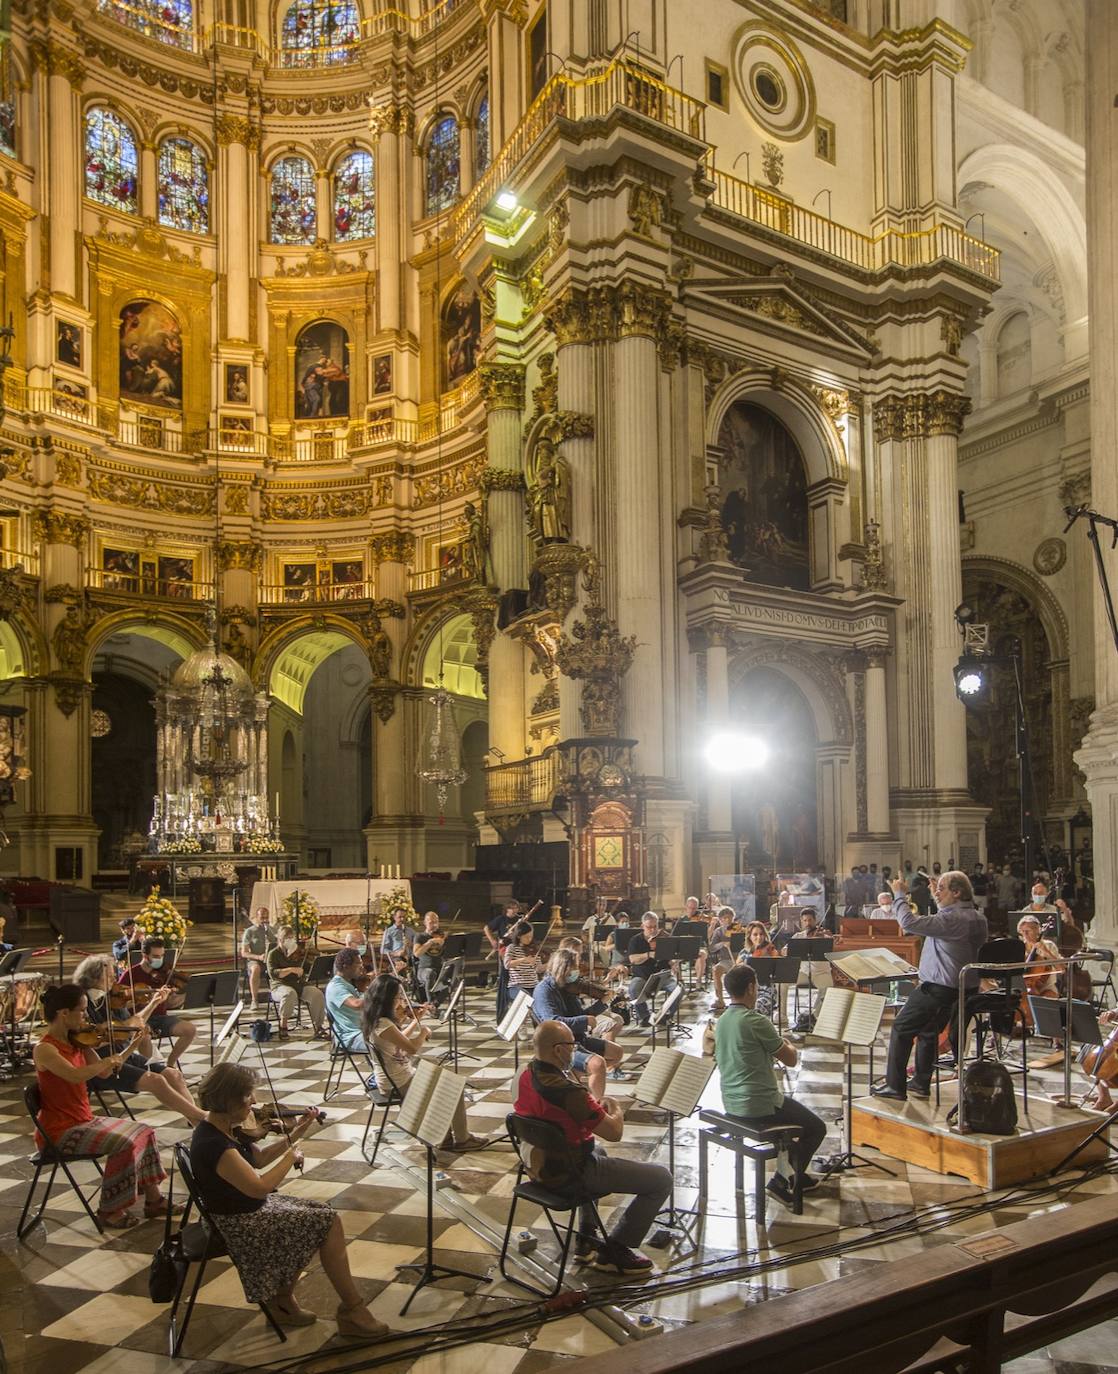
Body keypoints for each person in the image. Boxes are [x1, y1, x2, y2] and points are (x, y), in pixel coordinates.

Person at [189, 1061, 388, 1336]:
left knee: (322, 1215)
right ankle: (352, 1309)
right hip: (237, 1222)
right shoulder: (214, 1143)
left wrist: (299, 1131)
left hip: (245, 1210)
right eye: (248, 1096)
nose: (254, 1102)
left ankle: (283, 1299)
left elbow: (258, 1159)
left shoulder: (224, 1127)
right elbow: (259, 1187)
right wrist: (290, 1158)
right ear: (229, 1099)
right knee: (326, 1222)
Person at [514, 1019, 671, 1274]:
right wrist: (615, 1107)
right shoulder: (568, 1091)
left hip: (537, 1166)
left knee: (598, 1150)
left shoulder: (525, 1074)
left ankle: (586, 1237)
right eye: (571, 1045)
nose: (574, 1050)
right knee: (661, 1179)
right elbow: (614, 1132)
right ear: (558, 1050)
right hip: (570, 1173)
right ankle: (616, 1250)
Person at [34, 983, 176, 1230]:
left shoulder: (77, 1041)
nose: (87, 1017)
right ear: (63, 1013)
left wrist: (131, 1044)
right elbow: (75, 1075)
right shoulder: (44, 1049)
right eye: (82, 1011)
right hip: (59, 1132)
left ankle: (155, 1201)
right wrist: (104, 1061)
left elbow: (106, 1071)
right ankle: (110, 1211)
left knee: (145, 1130)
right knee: (124, 1143)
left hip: (83, 1119)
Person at [714, 964, 829, 1205]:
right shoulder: (755, 1020)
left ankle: (795, 1173)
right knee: (817, 1128)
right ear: (750, 988)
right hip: (758, 1103)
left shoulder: (722, 1019)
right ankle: (781, 1180)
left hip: (730, 1099)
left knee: (799, 1119)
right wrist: (790, 1045)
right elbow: (790, 1059)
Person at [872, 872, 988, 1101]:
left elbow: (908, 923)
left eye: (942, 888)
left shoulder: (953, 920)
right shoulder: (976, 917)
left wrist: (899, 894)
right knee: (928, 1032)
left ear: (956, 893)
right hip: (960, 989)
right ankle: (920, 1083)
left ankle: (895, 1087)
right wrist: (939, 895)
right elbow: (946, 913)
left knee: (901, 1028)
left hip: (938, 988)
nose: (936, 891)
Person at [360, 974, 487, 1151]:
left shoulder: (378, 1020)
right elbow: (411, 1048)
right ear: (387, 999)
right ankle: (462, 1139)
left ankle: (444, 1137)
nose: (402, 1002)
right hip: (396, 1082)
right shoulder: (383, 1024)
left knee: (442, 1077)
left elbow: (399, 1040)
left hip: (399, 1076)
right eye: (398, 997)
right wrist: (423, 1032)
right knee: (454, 1087)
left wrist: (416, 1021)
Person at [74, 956, 204, 1123]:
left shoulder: (111, 997)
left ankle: (195, 1121)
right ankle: (201, 1119)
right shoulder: (83, 1004)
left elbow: (136, 1022)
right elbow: (92, 1039)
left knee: (174, 1075)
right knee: (156, 1081)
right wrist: (129, 1025)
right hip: (104, 1064)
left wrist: (154, 1003)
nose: (114, 978)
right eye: (109, 975)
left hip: (125, 1055)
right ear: (93, 977)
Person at [532, 949, 625, 1099]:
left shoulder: (567, 985)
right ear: (564, 968)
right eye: (575, 966)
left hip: (577, 1038)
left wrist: (602, 1003)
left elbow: (580, 1014)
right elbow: (553, 1021)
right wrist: (584, 1021)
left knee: (617, 1052)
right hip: (560, 1045)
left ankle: (577, 1084)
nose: (578, 970)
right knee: (598, 1064)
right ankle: (595, 1105)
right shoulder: (544, 990)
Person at [117, 938, 196, 1068]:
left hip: (160, 1018)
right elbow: (119, 1004)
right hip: (140, 1019)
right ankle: (154, 1069)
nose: (159, 959)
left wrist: (173, 997)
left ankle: (170, 1065)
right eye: (155, 956)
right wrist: (142, 1000)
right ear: (144, 955)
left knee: (190, 1029)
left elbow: (172, 1004)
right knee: (144, 1035)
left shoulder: (165, 972)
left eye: (161, 956)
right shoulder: (130, 974)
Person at [265, 926, 326, 1039]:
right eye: (288, 938)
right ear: (280, 940)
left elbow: (307, 966)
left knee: (317, 994)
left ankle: (318, 1027)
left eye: (292, 937)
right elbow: (273, 973)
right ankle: (283, 1026)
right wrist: (291, 969)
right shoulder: (273, 954)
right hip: (279, 986)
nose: (291, 940)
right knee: (289, 993)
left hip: (298, 984)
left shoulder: (296, 952)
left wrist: (312, 957)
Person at [626, 912, 678, 1027]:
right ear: (642, 926)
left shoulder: (665, 938)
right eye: (649, 927)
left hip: (663, 975)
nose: (653, 930)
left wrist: (673, 962)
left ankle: (665, 1016)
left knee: (677, 990)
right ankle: (645, 1017)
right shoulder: (635, 940)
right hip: (642, 976)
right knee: (633, 989)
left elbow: (670, 957)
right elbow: (633, 959)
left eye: (655, 926)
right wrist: (648, 955)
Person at [324, 949, 367, 1050]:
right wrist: (376, 990)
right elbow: (356, 1004)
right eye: (358, 963)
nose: (362, 967)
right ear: (345, 966)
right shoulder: (336, 986)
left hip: (362, 1031)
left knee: (396, 1038)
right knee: (390, 1044)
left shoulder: (347, 983)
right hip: (351, 1037)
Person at [485, 900, 520, 1020]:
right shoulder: (501, 919)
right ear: (507, 909)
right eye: (512, 908)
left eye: (516, 908)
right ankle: (505, 998)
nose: (514, 910)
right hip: (504, 949)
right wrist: (492, 941)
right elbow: (486, 928)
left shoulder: (520, 920)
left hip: (517, 949)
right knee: (505, 973)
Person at [240, 907, 275, 1010]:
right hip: (254, 959)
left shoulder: (270, 930)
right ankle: (254, 1000)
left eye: (266, 918)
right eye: (262, 918)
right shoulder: (250, 931)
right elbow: (244, 953)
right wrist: (258, 957)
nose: (264, 920)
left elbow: (276, 943)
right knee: (256, 969)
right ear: (257, 917)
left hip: (268, 958)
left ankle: (277, 996)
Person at [502, 920, 545, 994]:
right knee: (526, 997)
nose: (529, 939)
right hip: (516, 986)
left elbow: (538, 969)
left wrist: (551, 964)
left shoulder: (534, 948)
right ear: (519, 936)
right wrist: (524, 959)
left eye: (531, 936)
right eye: (526, 937)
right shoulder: (512, 947)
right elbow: (507, 964)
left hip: (534, 985)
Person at [708, 907, 737, 1010]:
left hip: (738, 960)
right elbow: (711, 948)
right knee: (716, 970)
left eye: (730, 918)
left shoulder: (738, 929)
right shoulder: (719, 931)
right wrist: (722, 944)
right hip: (725, 961)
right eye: (724, 918)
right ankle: (720, 1000)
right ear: (720, 920)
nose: (728, 921)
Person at [379, 906, 414, 978]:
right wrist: (396, 953)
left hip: (410, 958)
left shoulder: (411, 931)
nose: (402, 919)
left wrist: (411, 944)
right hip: (397, 958)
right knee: (400, 967)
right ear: (394, 917)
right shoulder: (389, 931)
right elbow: (382, 950)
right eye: (400, 917)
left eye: (404, 917)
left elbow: (418, 945)